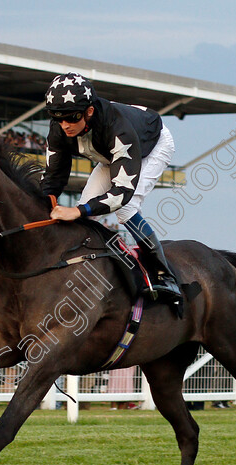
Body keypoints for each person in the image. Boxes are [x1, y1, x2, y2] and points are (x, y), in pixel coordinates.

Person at [41, 72, 180, 303]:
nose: (65, 125)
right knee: (85, 212)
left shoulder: (119, 130)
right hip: (109, 154)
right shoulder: (59, 130)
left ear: (89, 111)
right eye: (57, 117)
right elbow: (52, 181)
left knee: (125, 209)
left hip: (150, 145)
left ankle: (164, 275)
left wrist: (77, 211)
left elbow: (122, 193)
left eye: (72, 117)